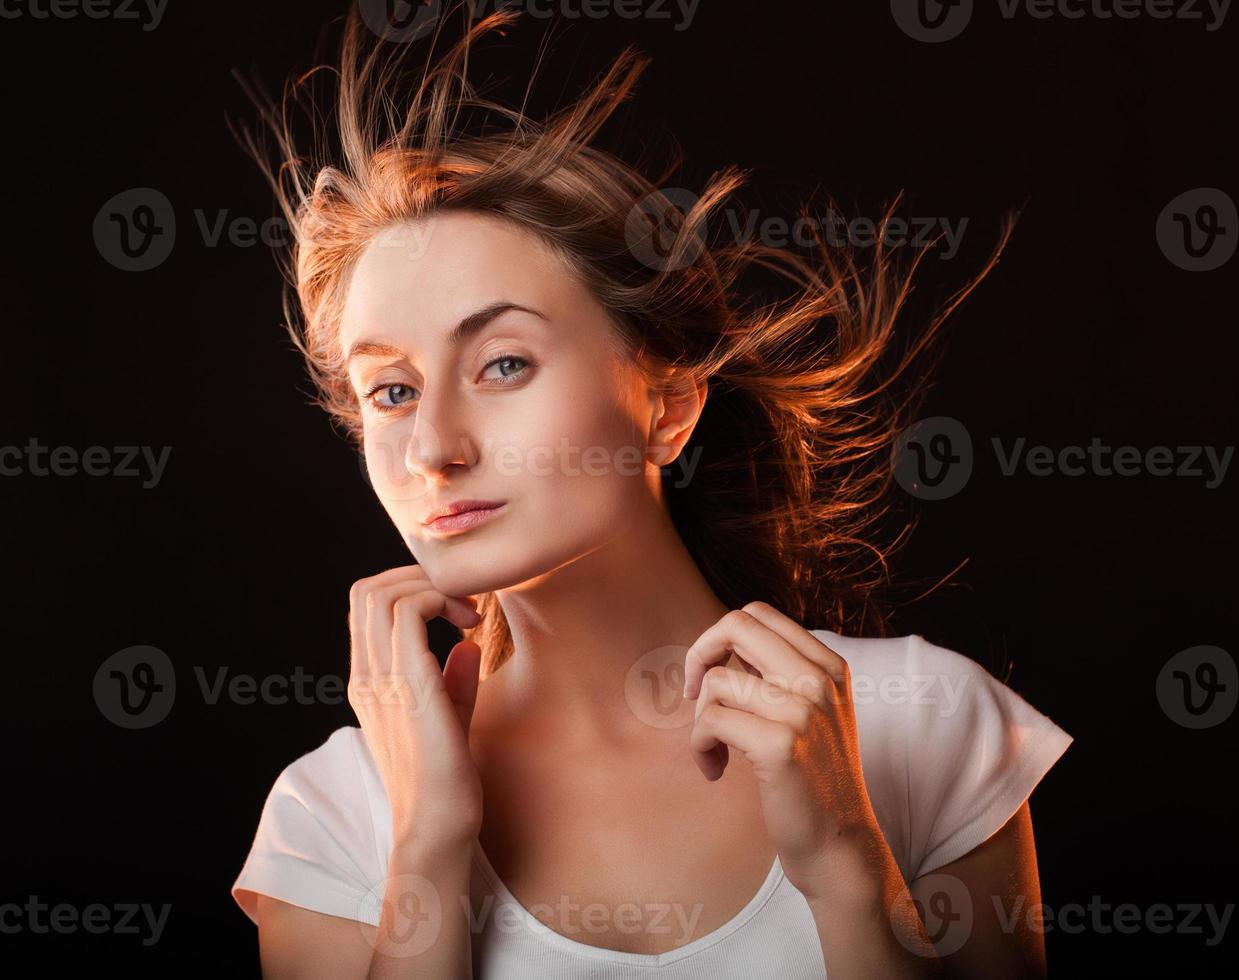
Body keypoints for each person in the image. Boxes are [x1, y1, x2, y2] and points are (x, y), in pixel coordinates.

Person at [230, 4, 1072, 976]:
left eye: (503, 364)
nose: (432, 445)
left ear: (667, 405)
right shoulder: (335, 814)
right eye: (391, 389)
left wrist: (847, 866)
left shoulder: (925, 720)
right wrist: (429, 843)